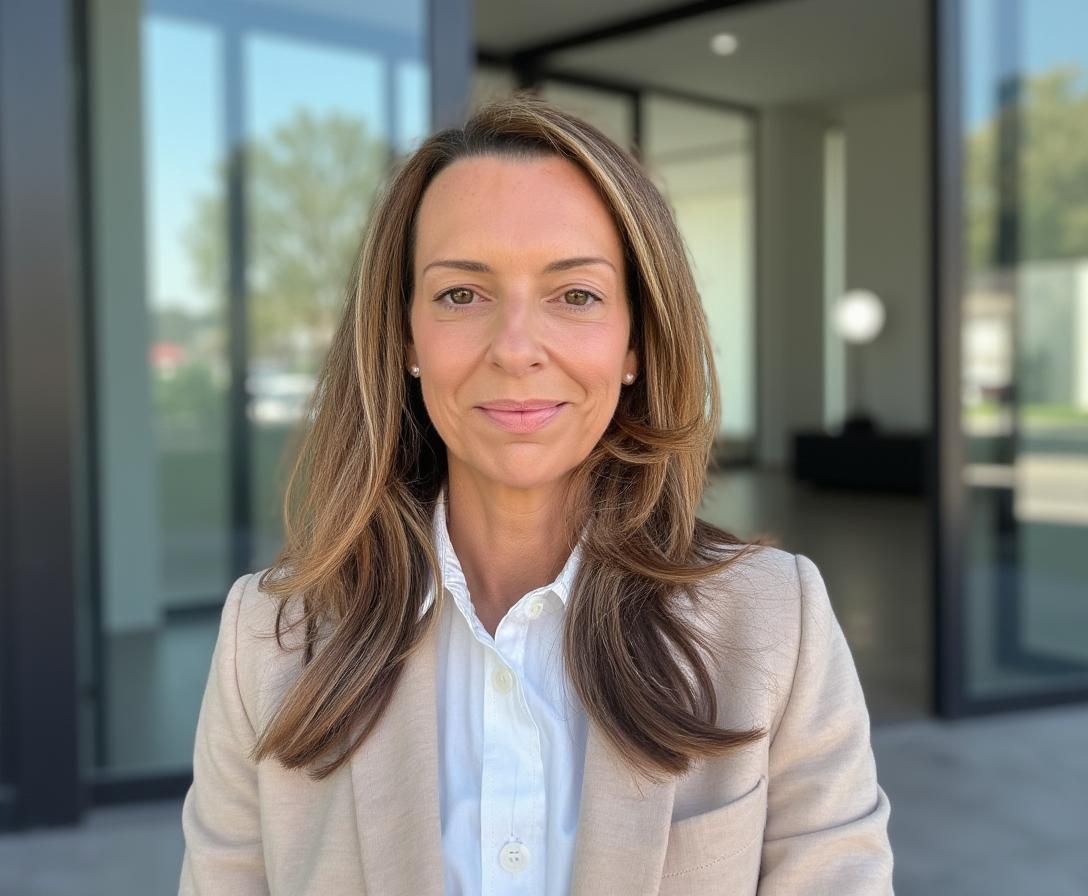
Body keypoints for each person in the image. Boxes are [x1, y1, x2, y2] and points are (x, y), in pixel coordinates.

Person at [178, 93, 893, 895]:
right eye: (461, 294)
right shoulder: (266, 645)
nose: (516, 349)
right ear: (406, 337)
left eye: (576, 294)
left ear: (635, 343)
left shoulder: (777, 623)